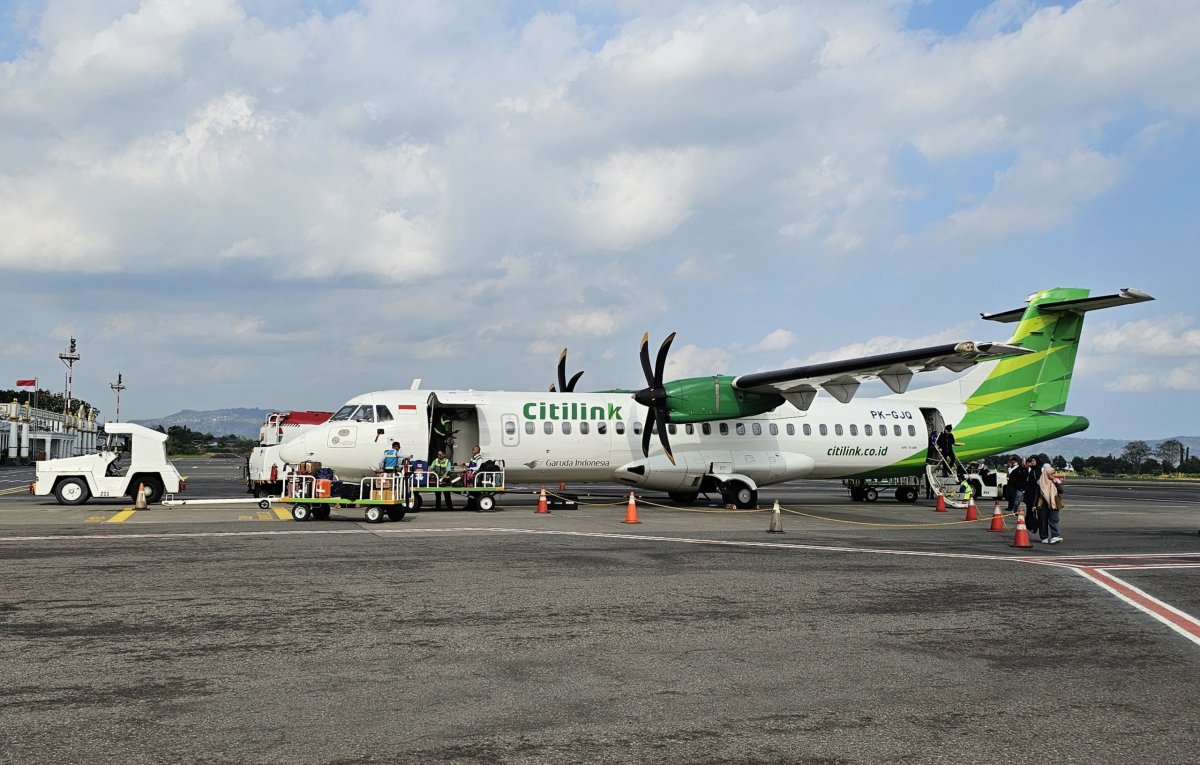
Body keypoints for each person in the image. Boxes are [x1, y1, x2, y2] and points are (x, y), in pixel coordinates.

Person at [1037, 463, 1063, 544]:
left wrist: (1056, 483)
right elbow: (1036, 494)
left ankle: (1055, 536)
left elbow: (1061, 491)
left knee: (1054, 520)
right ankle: (1044, 537)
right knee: (1042, 521)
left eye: (1054, 473)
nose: (1054, 475)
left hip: (1054, 503)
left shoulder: (1055, 481)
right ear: (1046, 473)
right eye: (1052, 473)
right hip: (1043, 504)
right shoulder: (1039, 482)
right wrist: (1034, 505)